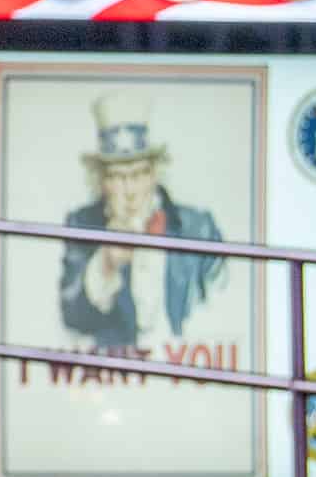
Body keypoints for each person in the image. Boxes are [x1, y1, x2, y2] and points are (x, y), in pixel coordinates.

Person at [58, 94, 226, 351]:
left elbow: (221, 312)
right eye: (117, 177)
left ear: (154, 173)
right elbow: (71, 316)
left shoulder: (199, 228)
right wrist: (106, 265)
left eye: (138, 174)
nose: (130, 190)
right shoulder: (81, 225)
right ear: (102, 182)